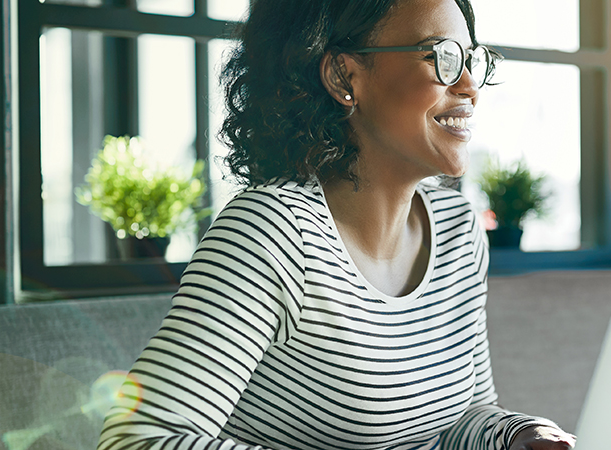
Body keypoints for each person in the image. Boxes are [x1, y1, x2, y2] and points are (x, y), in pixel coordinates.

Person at [96, 0, 578, 449]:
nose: (470, 85)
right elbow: (137, 436)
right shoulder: (272, 232)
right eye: (443, 57)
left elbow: (464, 413)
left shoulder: (457, 230)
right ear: (344, 75)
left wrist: (517, 435)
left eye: (472, 58)